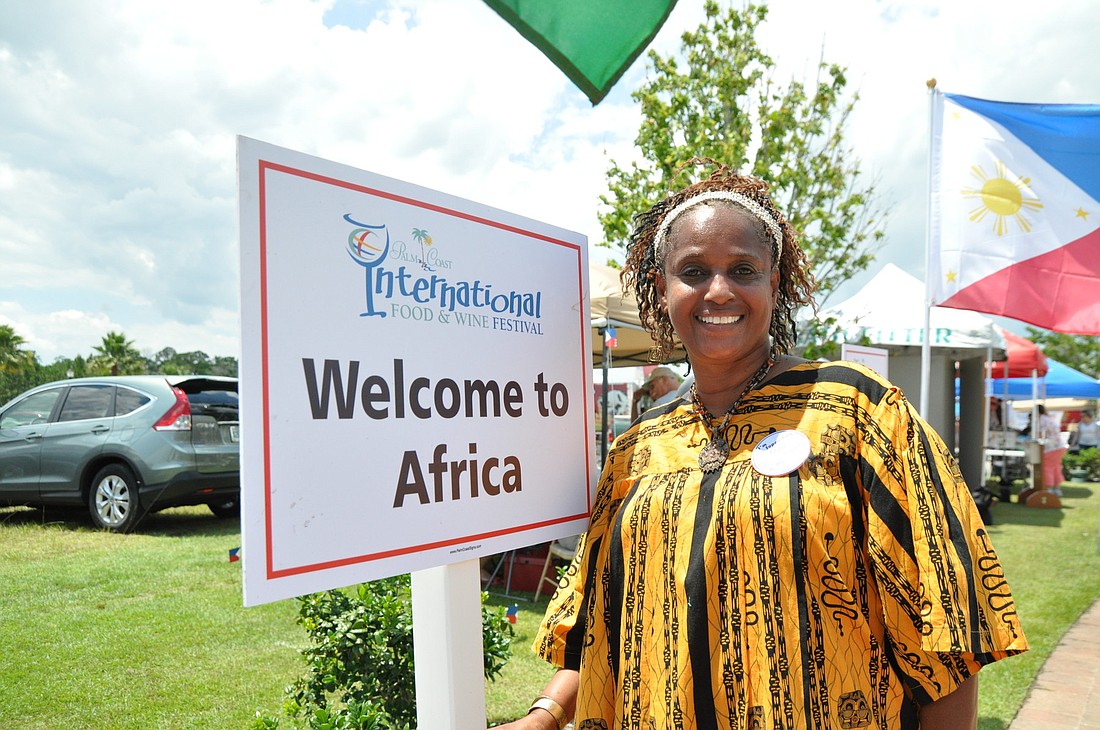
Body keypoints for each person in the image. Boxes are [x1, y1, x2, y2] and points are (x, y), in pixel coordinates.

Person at [501, 160, 1027, 730]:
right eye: (695, 270)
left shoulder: (860, 410)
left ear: (774, 284)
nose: (718, 290)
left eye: (743, 269)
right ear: (663, 286)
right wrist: (545, 716)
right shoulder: (639, 443)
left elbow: (944, 624)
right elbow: (600, 616)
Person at [1036, 404, 1066, 495]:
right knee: (1056, 467)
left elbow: (1041, 434)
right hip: (1060, 446)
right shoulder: (1049, 419)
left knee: (1047, 468)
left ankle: (1049, 488)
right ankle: (1057, 489)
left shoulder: (1041, 420)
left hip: (1050, 447)